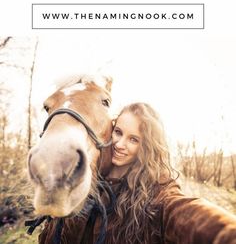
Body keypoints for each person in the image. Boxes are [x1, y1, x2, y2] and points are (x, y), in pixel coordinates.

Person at [38, 103, 236, 244]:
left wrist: (226, 233)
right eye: (118, 132)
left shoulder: (157, 191)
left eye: (134, 139)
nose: (120, 144)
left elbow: (185, 213)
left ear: (146, 146)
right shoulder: (85, 174)